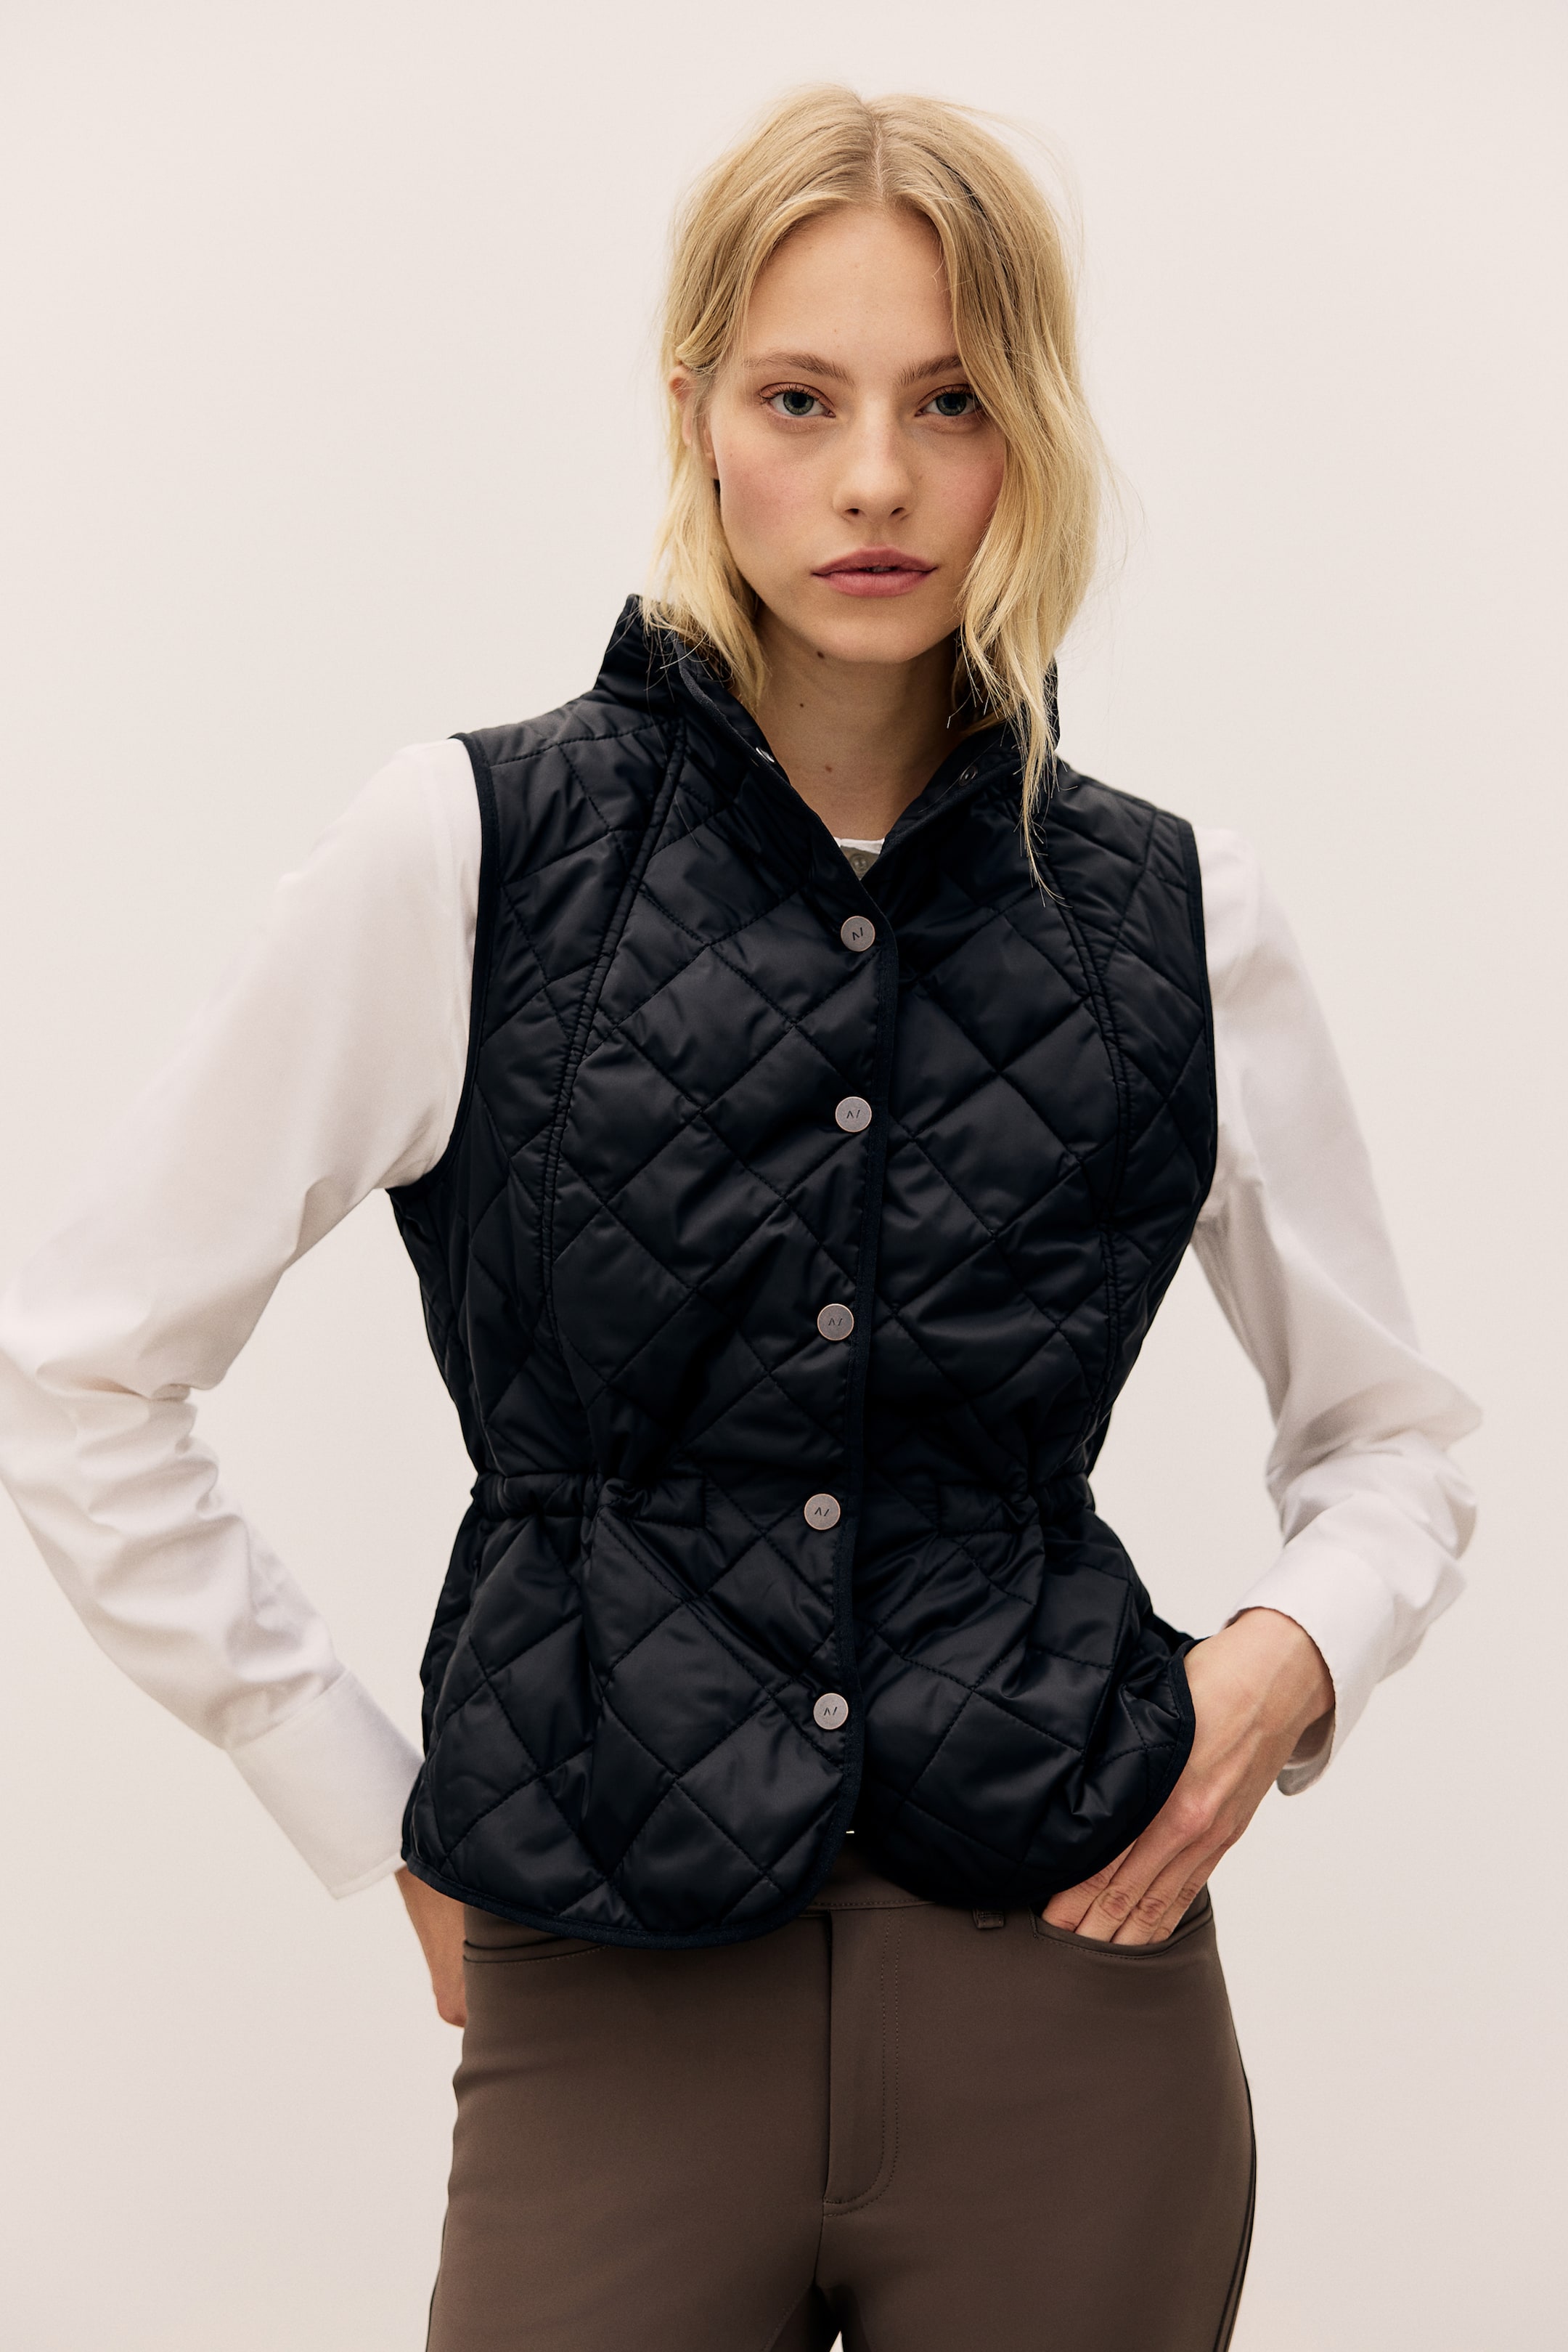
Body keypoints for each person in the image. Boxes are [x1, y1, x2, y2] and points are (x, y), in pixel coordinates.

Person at [0, 84, 1477, 2352]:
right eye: (803, 399)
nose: (876, 478)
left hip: (1071, 2004)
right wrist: (362, 1806)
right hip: (607, 1987)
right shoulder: (471, 853)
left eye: (950, 401)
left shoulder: (1180, 913)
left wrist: (1289, 1665)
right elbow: (84, 1368)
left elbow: (1395, 1445)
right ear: (695, 414)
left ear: (1033, 431)